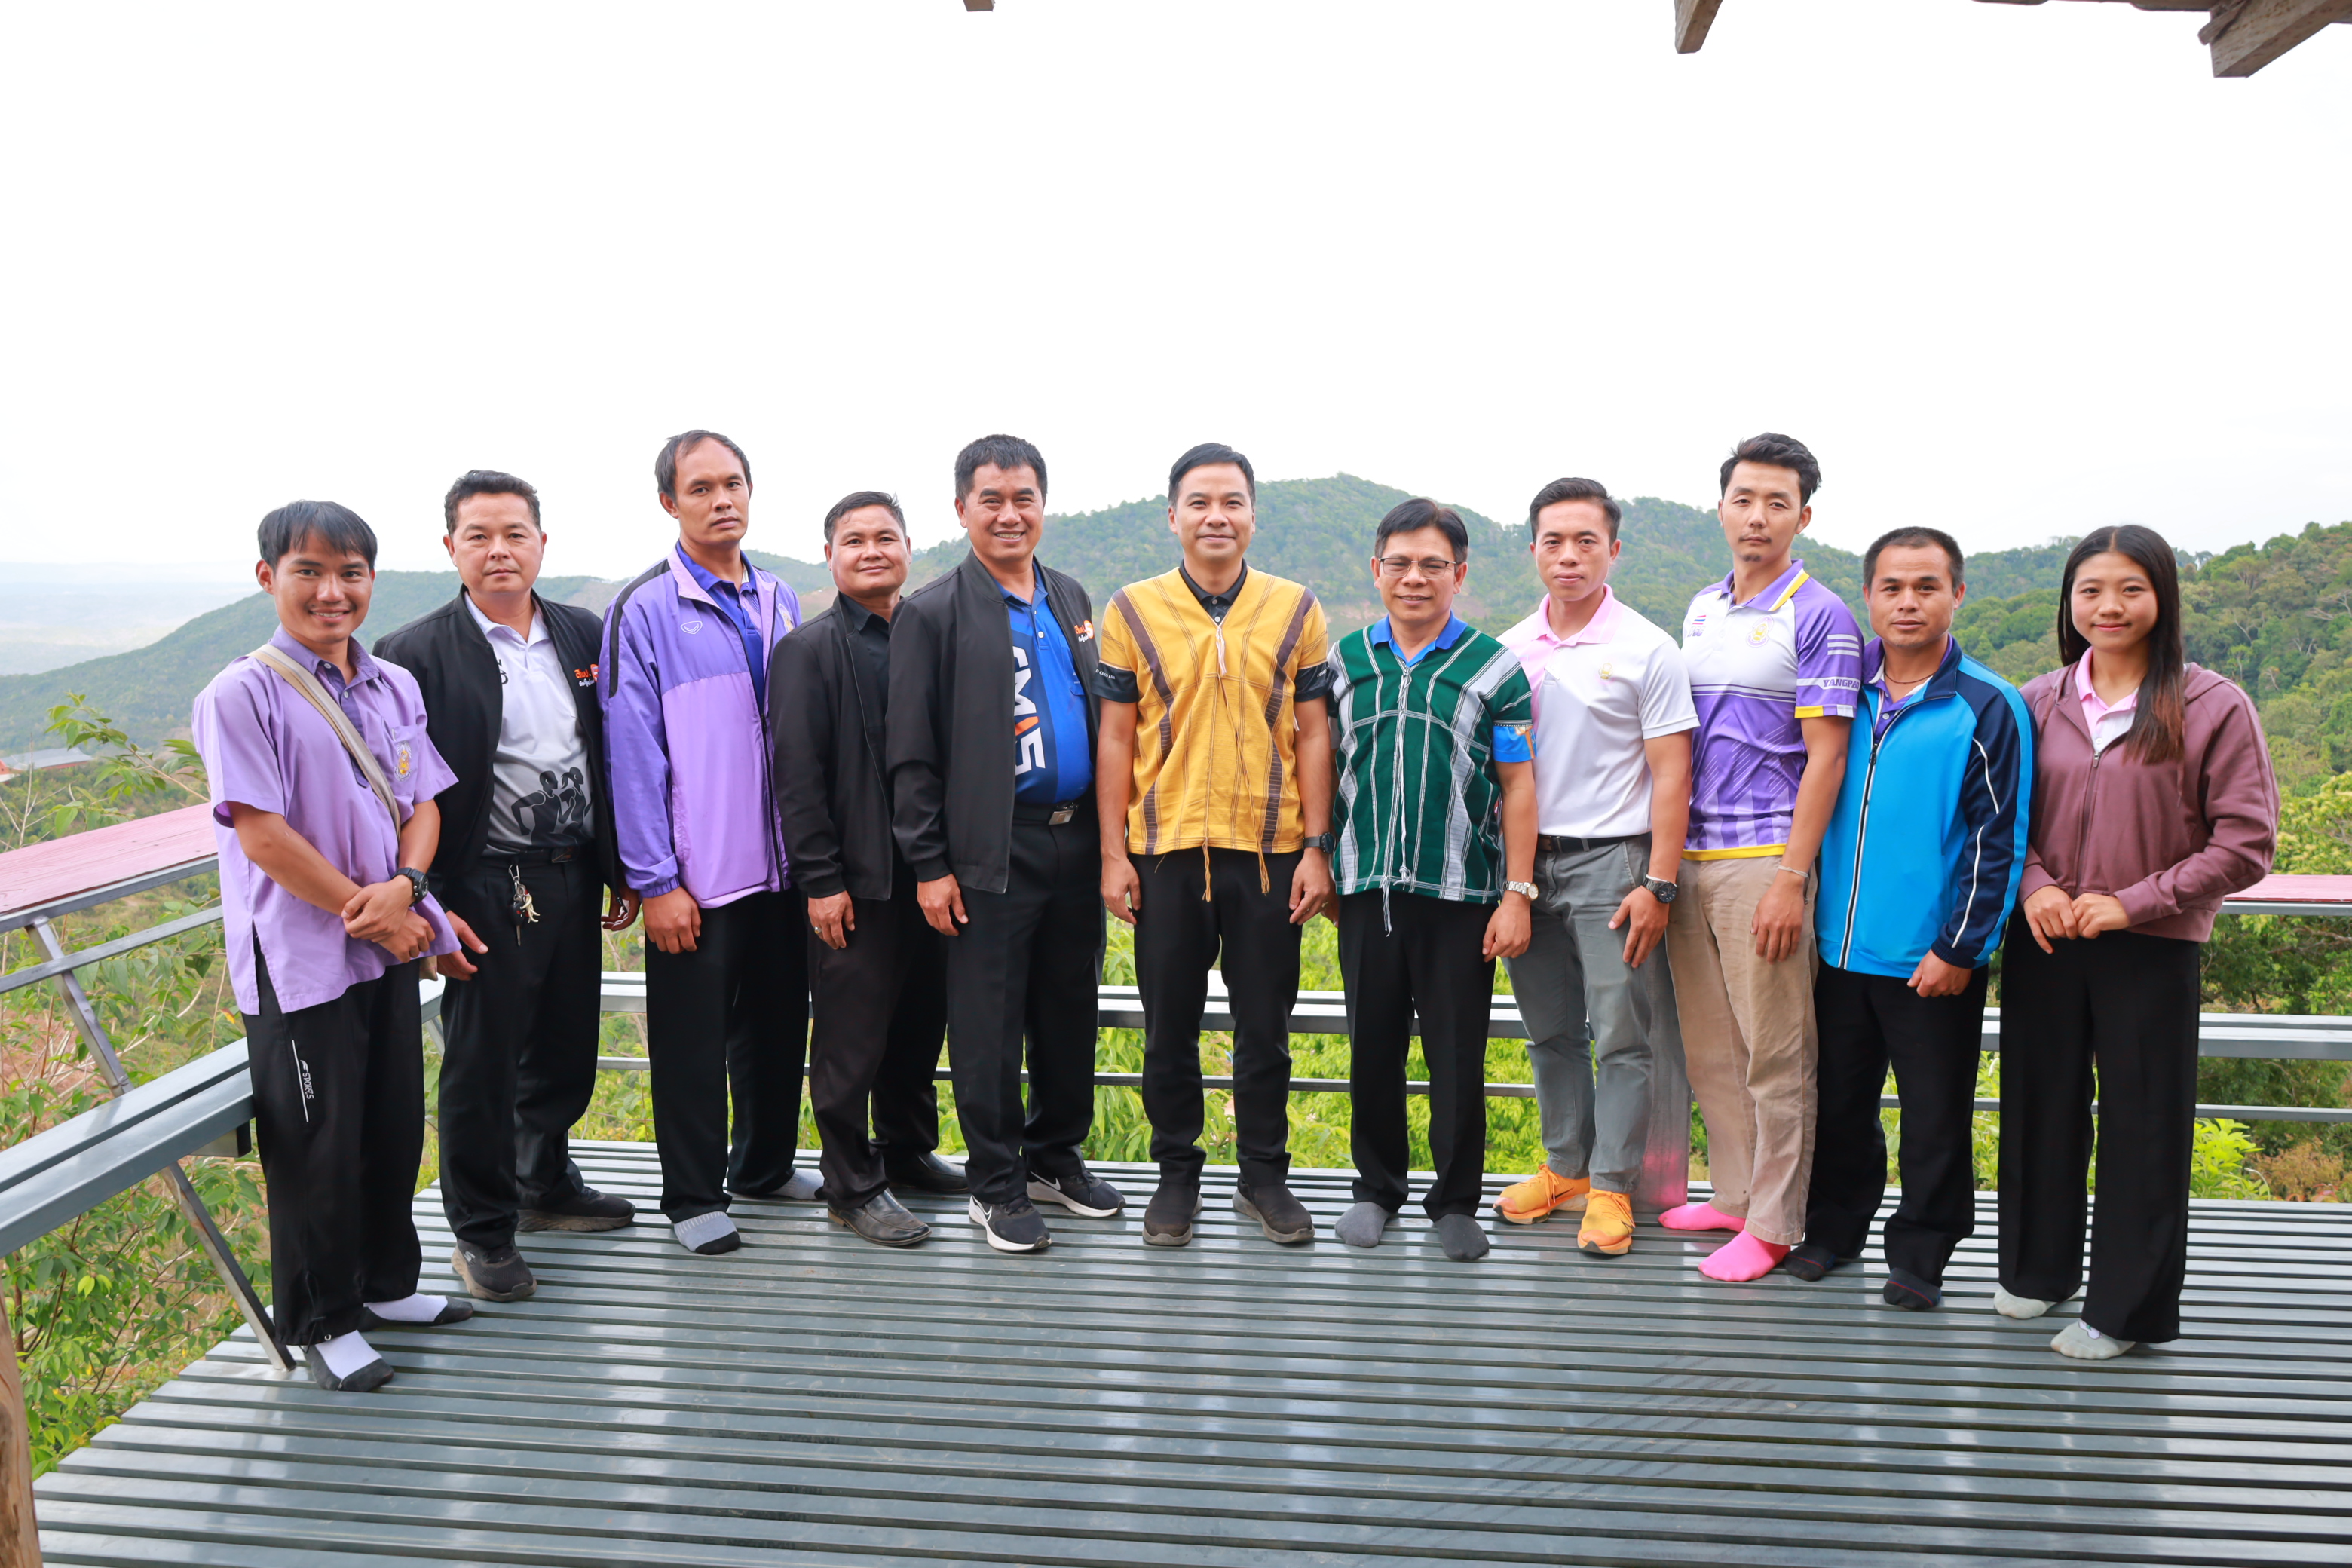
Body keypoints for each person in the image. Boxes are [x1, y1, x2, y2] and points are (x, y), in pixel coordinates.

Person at [191, 500, 485, 1392]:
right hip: (301, 960)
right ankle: (323, 1320)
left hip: (385, 942)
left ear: (371, 580)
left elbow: (423, 803)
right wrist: (377, 910)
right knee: (314, 1141)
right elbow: (262, 835)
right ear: (268, 577)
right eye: (309, 571)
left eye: (350, 572)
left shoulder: (391, 684)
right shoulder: (242, 694)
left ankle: (387, 1284)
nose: (332, 591)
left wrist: (409, 888)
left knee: (390, 1122)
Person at [1998, 525, 2275, 1360]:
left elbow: (2246, 843)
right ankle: (2039, 1270)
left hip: (2151, 945)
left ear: (2163, 598)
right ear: (2068, 601)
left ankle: (2127, 1310)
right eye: (2090, 590)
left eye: (2130, 588)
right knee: (2039, 1107)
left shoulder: (2212, 704)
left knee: (2144, 1123)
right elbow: (2000, 817)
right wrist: (2036, 884)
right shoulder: (2037, 700)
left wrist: (2134, 903)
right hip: (2047, 935)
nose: (2108, 606)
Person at [375, 470, 642, 1303]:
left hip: (572, 869)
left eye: (515, 533)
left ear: (541, 543)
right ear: (450, 547)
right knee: (482, 1063)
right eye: (479, 536)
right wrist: (429, 901)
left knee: (564, 1045)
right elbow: (395, 792)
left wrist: (617, 864)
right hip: (481, 882)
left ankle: (543, 1182)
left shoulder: (581, 631)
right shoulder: (415, 653)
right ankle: (482, 1230)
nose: (499, 550)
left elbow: (610, 752)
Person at [887, 433, 1124, 1254]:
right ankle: (995, 1183)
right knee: (987, 1024)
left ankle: (1055, 1157)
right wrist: (929, 866)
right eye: (991, 499)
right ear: (962, 510)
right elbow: (911, 756)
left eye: (1024, 498)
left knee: (1069, 1009)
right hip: (989, 850)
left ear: (1043, 506)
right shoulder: (932, 613)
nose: (1010, 514)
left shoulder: (1069, 595)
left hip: (1074, 840)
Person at [1096, 443, 1336, 1248]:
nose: (1216, 516)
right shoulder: (1132, 609)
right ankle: (1177, 1172)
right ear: (1173, 517)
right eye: (1199, 502)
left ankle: (1264, 1175)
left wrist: (1316, 847)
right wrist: (1112, 854)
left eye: (1232, 502)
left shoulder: (1296, 607)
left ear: (1253, 516)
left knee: (1265, 1026)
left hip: (1269, 852)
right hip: (1163, 851)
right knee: (1168, 1026)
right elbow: (1116, 736)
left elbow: (1313, 732)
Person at [1794, 528, 2031, 1309]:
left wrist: (1960, 948)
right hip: (1836, 949)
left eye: (1926, 586)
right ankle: (1833, 1230)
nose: (1907, 602)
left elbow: (1999, 838)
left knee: (1935, 1114)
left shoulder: (1986, 705)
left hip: (1931, 957)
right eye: (1891, 587)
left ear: (1956, 594)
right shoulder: (1839, 692)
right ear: (1867, 595)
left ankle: (1922, 1252)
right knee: (1838, 1103)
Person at [601, 430, 808, 1257]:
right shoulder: (646, 609)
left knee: (777, 1026)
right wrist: (656, 880)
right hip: (698, 875)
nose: (722, 500)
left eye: (733, 484)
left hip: (782, 868)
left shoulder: (780, 596)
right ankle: (692, 1195)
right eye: (701, 488)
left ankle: (764, 1166)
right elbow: (632, 753)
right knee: (691, 1042)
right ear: (670, 503)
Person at [1664, 433, 1861, 1282]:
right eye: (1744, 499)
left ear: (1803, 517)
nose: (1757, 516)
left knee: (1777, 1052)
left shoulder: (1820, 615)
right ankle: (1737, 1195)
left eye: (1777, 502)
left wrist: (1790, 876)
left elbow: (1829, 756)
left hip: (1764, 858)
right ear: (1720, 507)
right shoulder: (1702, 607)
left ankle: (1778, 1222)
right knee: (1712, 1047)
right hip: (1691, 855)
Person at [1325, 498, 1537, 1263]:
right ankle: (1375, 1189)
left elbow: (1519, 784)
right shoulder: (1344, 661)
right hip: (1366, 887)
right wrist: (1320, 856)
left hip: (1462, 894)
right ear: (1376, 569)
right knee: (1371, 1047)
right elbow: (1322, 762)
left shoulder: (1495, 668)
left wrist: (1518, 894)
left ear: (1460, 574)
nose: (1415, 577)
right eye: (1401, 563)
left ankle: (1454, 1200)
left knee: (1457, 1053)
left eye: (1433, 565)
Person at [1494, 479, 1695, 1257]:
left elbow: (1672, 775)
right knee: (1549, 1031)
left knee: (1621, 1036)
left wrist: (1658, 883)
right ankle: (1566, 1168)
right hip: (1528, 865)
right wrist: (1511, 882)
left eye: (1586, 541)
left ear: (1613, 549)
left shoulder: (1647, 648)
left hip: (1614, 863)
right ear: (1533, 550)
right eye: (1554, 541)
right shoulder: (1511, 650)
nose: (1569, 556)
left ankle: (1612, 1185)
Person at [771, 490, 965, 1249]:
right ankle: (851, 1183)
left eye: (887, 537)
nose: (873, 551)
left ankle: (908, 1150)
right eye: (855, 540)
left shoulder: (932, 636)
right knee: (851, 1041)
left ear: (909, 549)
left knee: (919, 1026)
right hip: (854, 880)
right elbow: (797, 777)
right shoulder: (809, 649)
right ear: (830, 556)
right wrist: (820, 880)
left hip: (933, 874)